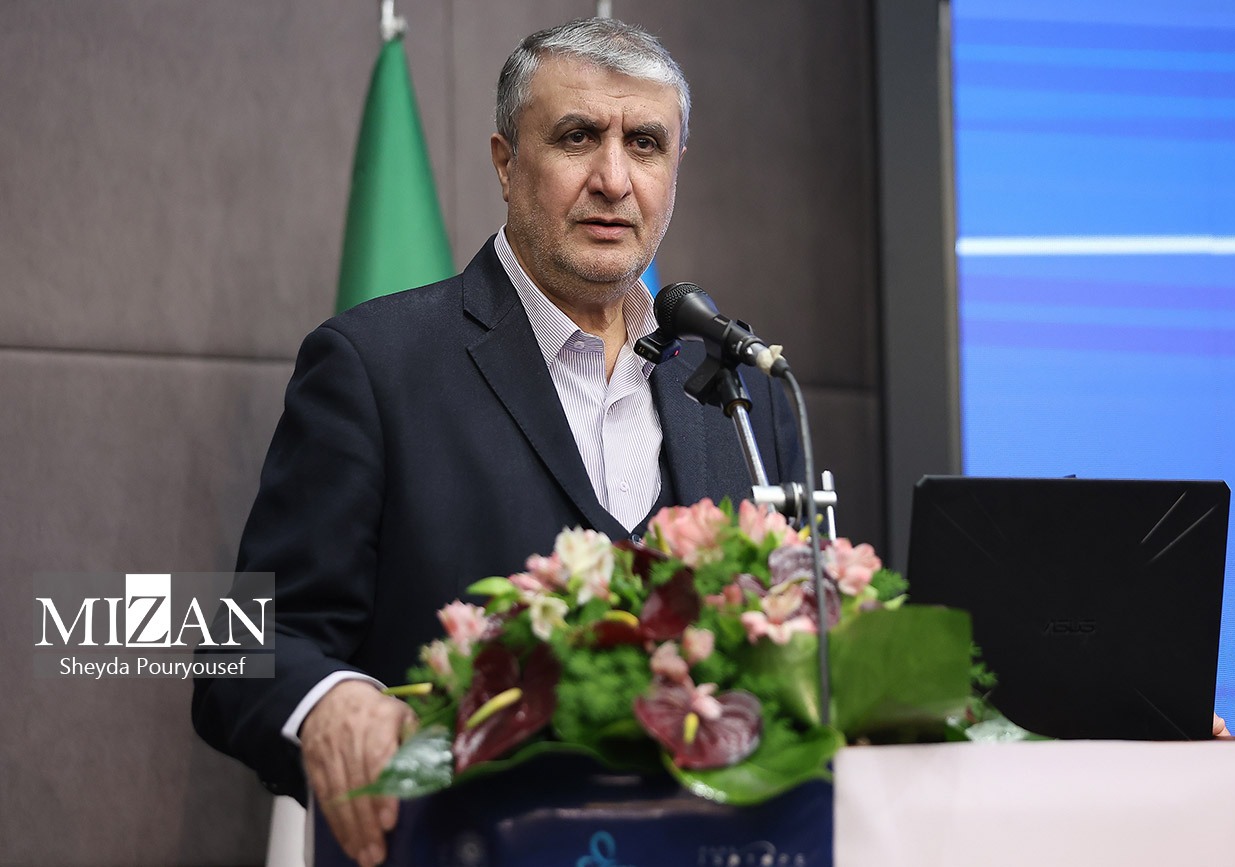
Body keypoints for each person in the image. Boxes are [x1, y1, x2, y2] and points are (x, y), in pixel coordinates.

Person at [192, 18, 800, 867]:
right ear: (506, 162)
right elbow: (244, 646)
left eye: (645, 143)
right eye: (577, 137)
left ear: (675, 169)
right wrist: (330, 701)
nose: (614, 178)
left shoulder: (743, 387)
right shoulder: (374, 366)